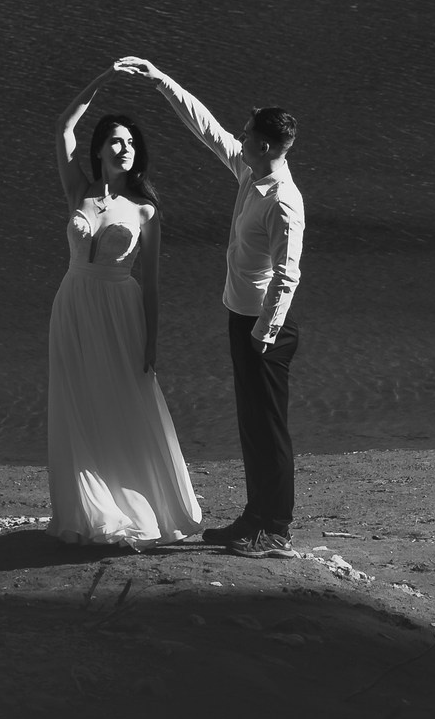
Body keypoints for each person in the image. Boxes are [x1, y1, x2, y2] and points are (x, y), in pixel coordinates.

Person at [110, 56, 304, 558]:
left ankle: (275, 528)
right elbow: (207, 128)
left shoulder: (283, 199)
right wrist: (161, 81)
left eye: (247, 135)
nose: (237, 139)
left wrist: (265, 331)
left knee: (269, 428)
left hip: (265, 328)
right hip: (243, 318)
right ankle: (253, 518)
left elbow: (288, 274)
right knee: (250, 426)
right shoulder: (249, 170)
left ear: (265, 145)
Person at [44, 71, 202, 548]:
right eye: (114, 141)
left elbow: (151, 285)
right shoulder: (79, 191)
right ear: (99, 150)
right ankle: (90, 509)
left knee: (125, 404)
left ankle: (143, 504)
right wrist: (101, 79)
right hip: (73, 304)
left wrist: (152, 340)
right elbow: (62, 130)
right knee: (78, 404)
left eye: (130, 142)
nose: (123, 149)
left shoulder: (145, 211)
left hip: (120, 310)